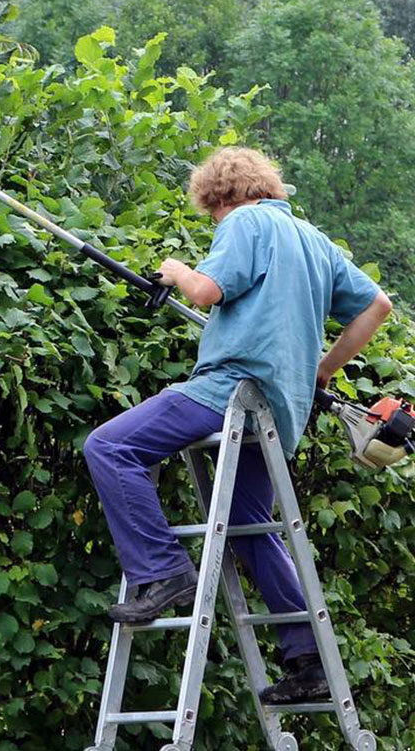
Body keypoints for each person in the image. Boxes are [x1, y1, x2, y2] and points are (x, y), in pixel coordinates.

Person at [82, 146, 393, 704]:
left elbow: (206, 292)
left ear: (220, 196)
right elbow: (378, 305)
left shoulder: (244, 221)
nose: (214, 223)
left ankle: (162, 570)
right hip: (282, 407)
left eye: (211, 215)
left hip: (231, 390)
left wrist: (178, 271)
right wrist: (321, 371)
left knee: (109, 447)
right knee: (250, 524)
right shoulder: (314, 240)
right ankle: (308, 660)